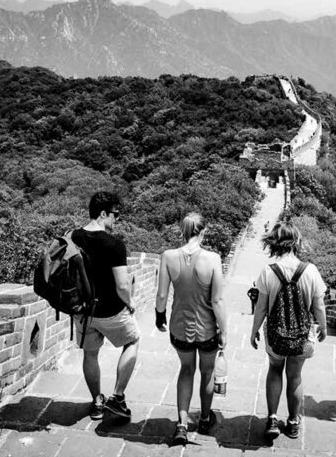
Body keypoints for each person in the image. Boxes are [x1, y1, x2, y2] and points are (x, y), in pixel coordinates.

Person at [155, 213, 228, 446]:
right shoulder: (213, 259)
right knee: (207, 373)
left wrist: (159, 317)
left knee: (186, 370)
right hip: (207, 330)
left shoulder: (168, 256)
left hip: (180, 327)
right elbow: (217, 301)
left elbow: (162, 295)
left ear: (183, 232)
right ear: (203, 232)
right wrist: (224, 331)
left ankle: (182, 425)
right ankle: (205, 418)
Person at [250, 223, 327, 440]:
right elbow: (319, 306)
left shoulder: (268, 271)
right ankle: (293, 422)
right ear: (296, 242)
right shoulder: (310, 270)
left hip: (275, 336)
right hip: (302, 337)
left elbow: (261, 308)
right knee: (295, 376)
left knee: (275, 370)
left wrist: (254, 331)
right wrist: (323, 326)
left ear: (275, 242)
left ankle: (273, 418)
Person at [71, 191, 140, 421]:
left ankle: (97, 402)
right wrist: (130, 304)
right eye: (115, 215)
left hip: (82, 311)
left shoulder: (71, 237)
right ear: (103, 214)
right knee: (132, 340)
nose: (116, 220)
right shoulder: (114, 245)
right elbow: (122, 286)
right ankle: (117, 398)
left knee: (90, 355)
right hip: (110, 311)